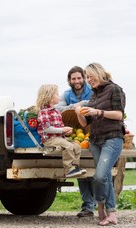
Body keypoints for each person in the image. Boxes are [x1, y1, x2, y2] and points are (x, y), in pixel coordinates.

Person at [75, 63, 126, 226]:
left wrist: (98, 112)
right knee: (104, 178)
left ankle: (101, 206)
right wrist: (79, 113)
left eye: (90, 76)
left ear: (99, 73)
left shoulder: (115, 89)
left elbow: (119, 115)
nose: (89, 80)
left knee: (100, 176)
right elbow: (85, 124)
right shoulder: (94, 95)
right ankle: (111, 213)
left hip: (112, 138)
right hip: (95, 141)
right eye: (87, 77)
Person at [56, 66, 95, 218]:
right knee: (81, 170)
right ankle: (87, 206)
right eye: (73, 79)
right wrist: (77, 106)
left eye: (79, 78)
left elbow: (94, 102)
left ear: (84, 78)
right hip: (74, 134)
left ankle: (101, 204)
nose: (77, 81)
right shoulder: (66, 94)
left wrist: (81, 104)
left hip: (91, 131)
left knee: (95, 172)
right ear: (69, 81)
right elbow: (58, 108)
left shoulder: (92, 90)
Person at [36, 84, 86, 178]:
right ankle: (69, 170)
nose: (59, 97)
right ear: (49, 97)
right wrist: (62, 130)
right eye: (57, 94)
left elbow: (58, 128)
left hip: (59, 137)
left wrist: (65, 132)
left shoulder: (56, 111)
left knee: (76, 145)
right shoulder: (44, 112)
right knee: (68, 146)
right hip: (49, 139)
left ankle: (75, 166)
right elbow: (47, 128)